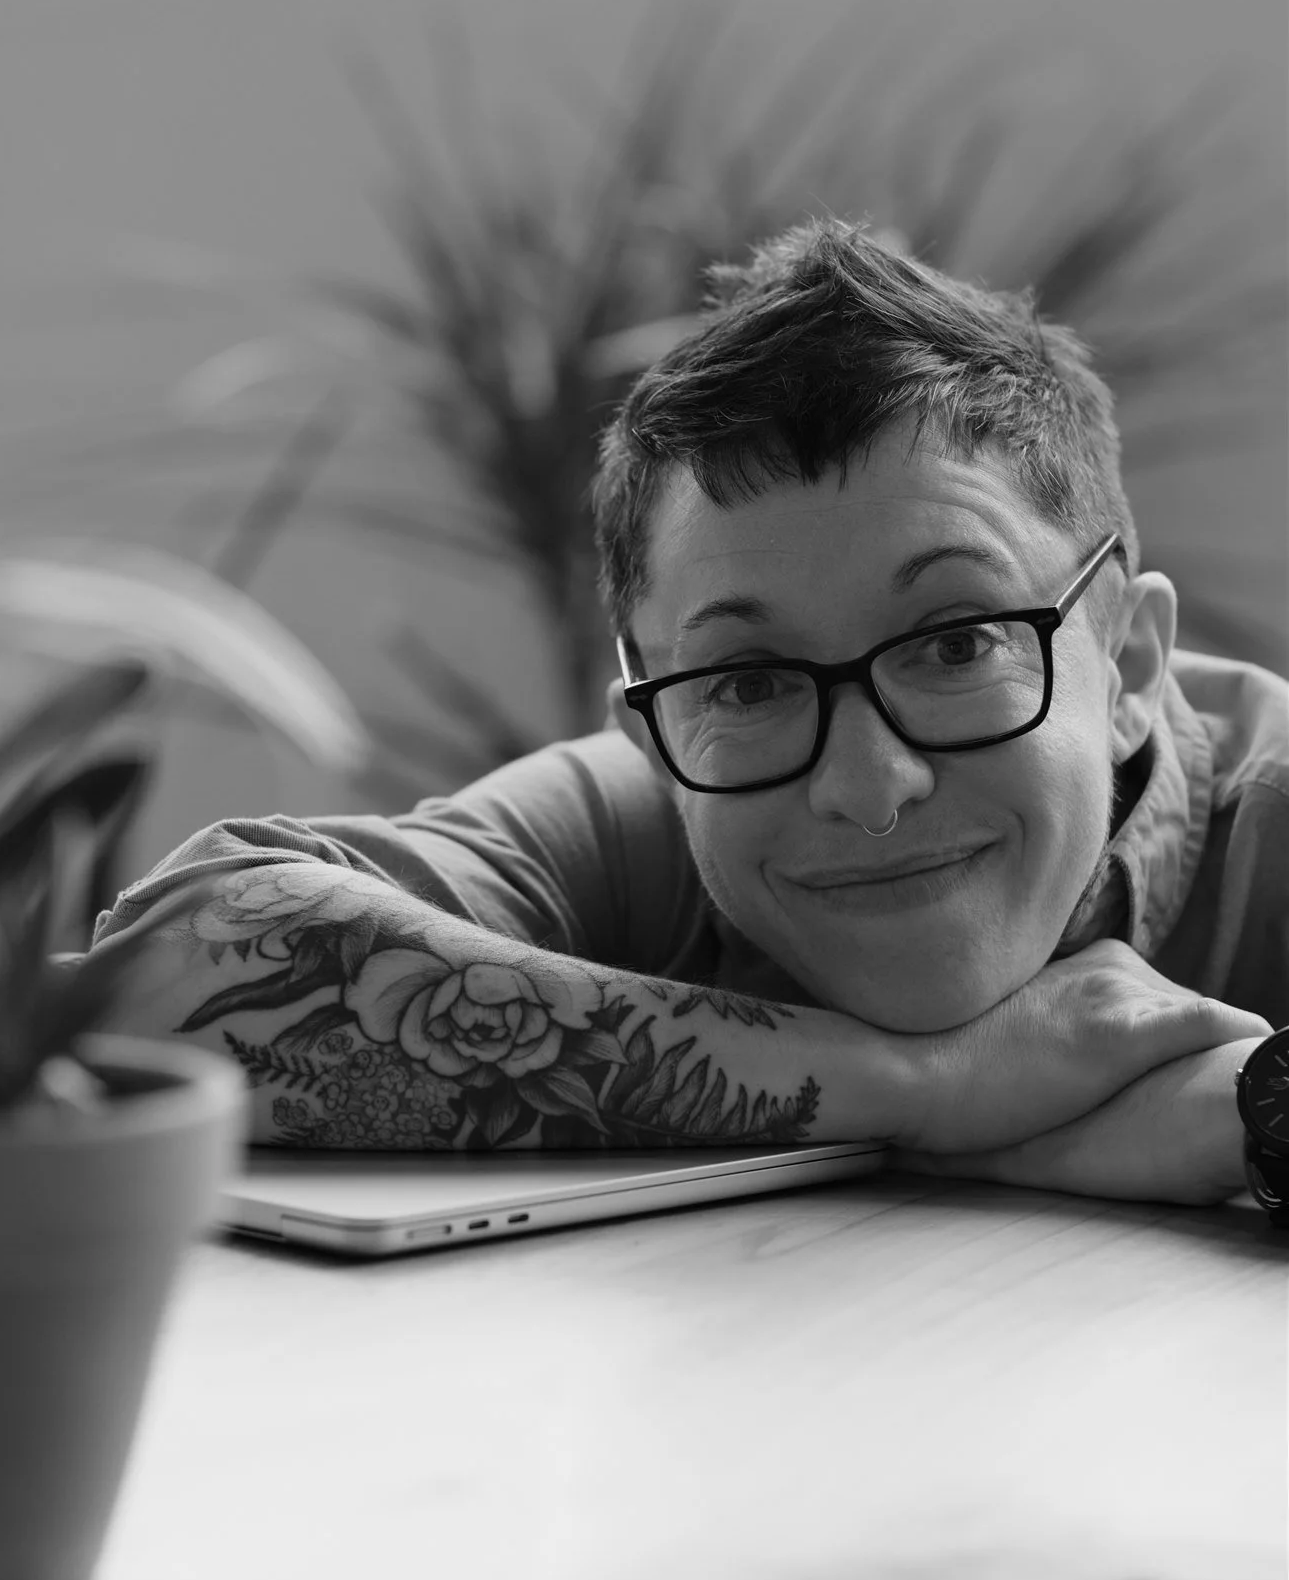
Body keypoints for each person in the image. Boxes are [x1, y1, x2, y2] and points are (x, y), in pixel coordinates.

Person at [93, 218, 1287, 1204]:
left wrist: (1254, 1108)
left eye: (956, 642)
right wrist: (929, 1084)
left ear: (1129, 661)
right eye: (750, 680)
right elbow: (157, 970)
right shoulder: (650, 826)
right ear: (656, 737)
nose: (868, 787)